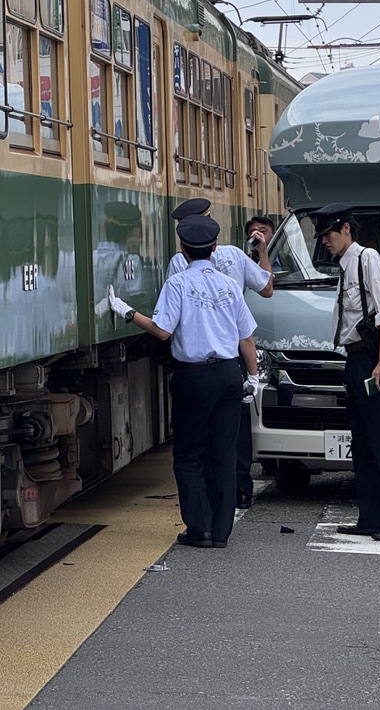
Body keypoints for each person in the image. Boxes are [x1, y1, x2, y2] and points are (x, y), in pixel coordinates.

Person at [109, 214, 259, 549]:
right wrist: (252, 377)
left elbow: (162, 330)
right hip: (228, 374)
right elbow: (246, 338)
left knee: (190, 454)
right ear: (214, 248)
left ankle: (198, 529)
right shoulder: (229, 285)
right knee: (223, 452)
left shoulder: (178, 283)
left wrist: (126, 312)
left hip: (193, 377)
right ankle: (221, 532)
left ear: (182, 248)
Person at [310, 203, 380, 542]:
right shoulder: (346, 266)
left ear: (346, 229)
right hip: (355, 361)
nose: (324, 241)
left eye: (328, 234)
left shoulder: (366, 258)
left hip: (373, 361)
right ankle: (371, 517)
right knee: (363, 442)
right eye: (322, 235)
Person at [166, 199, 272, 509]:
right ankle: (239, 490)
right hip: (234, 355)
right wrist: (262, 251)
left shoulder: (178, 264)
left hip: (196, 359)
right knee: (233, 429)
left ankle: (207, 501)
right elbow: (266, 288)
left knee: (198, 435)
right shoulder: (236, 256)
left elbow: (168, 322)